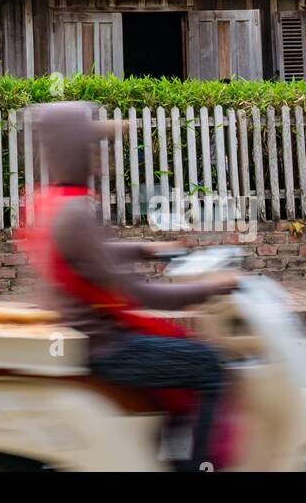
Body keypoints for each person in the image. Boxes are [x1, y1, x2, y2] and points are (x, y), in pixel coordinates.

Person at [21, 101, 237, 471]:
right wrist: (213, 287)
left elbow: (90, 256)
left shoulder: (47, 203)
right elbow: (139, 294)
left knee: (173, 365)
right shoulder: (75, 214)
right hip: (106, 346)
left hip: (79, 333)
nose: (96, 159)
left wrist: (147, 247)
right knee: (208, 364)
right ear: (71, 150)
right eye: (89, 148)